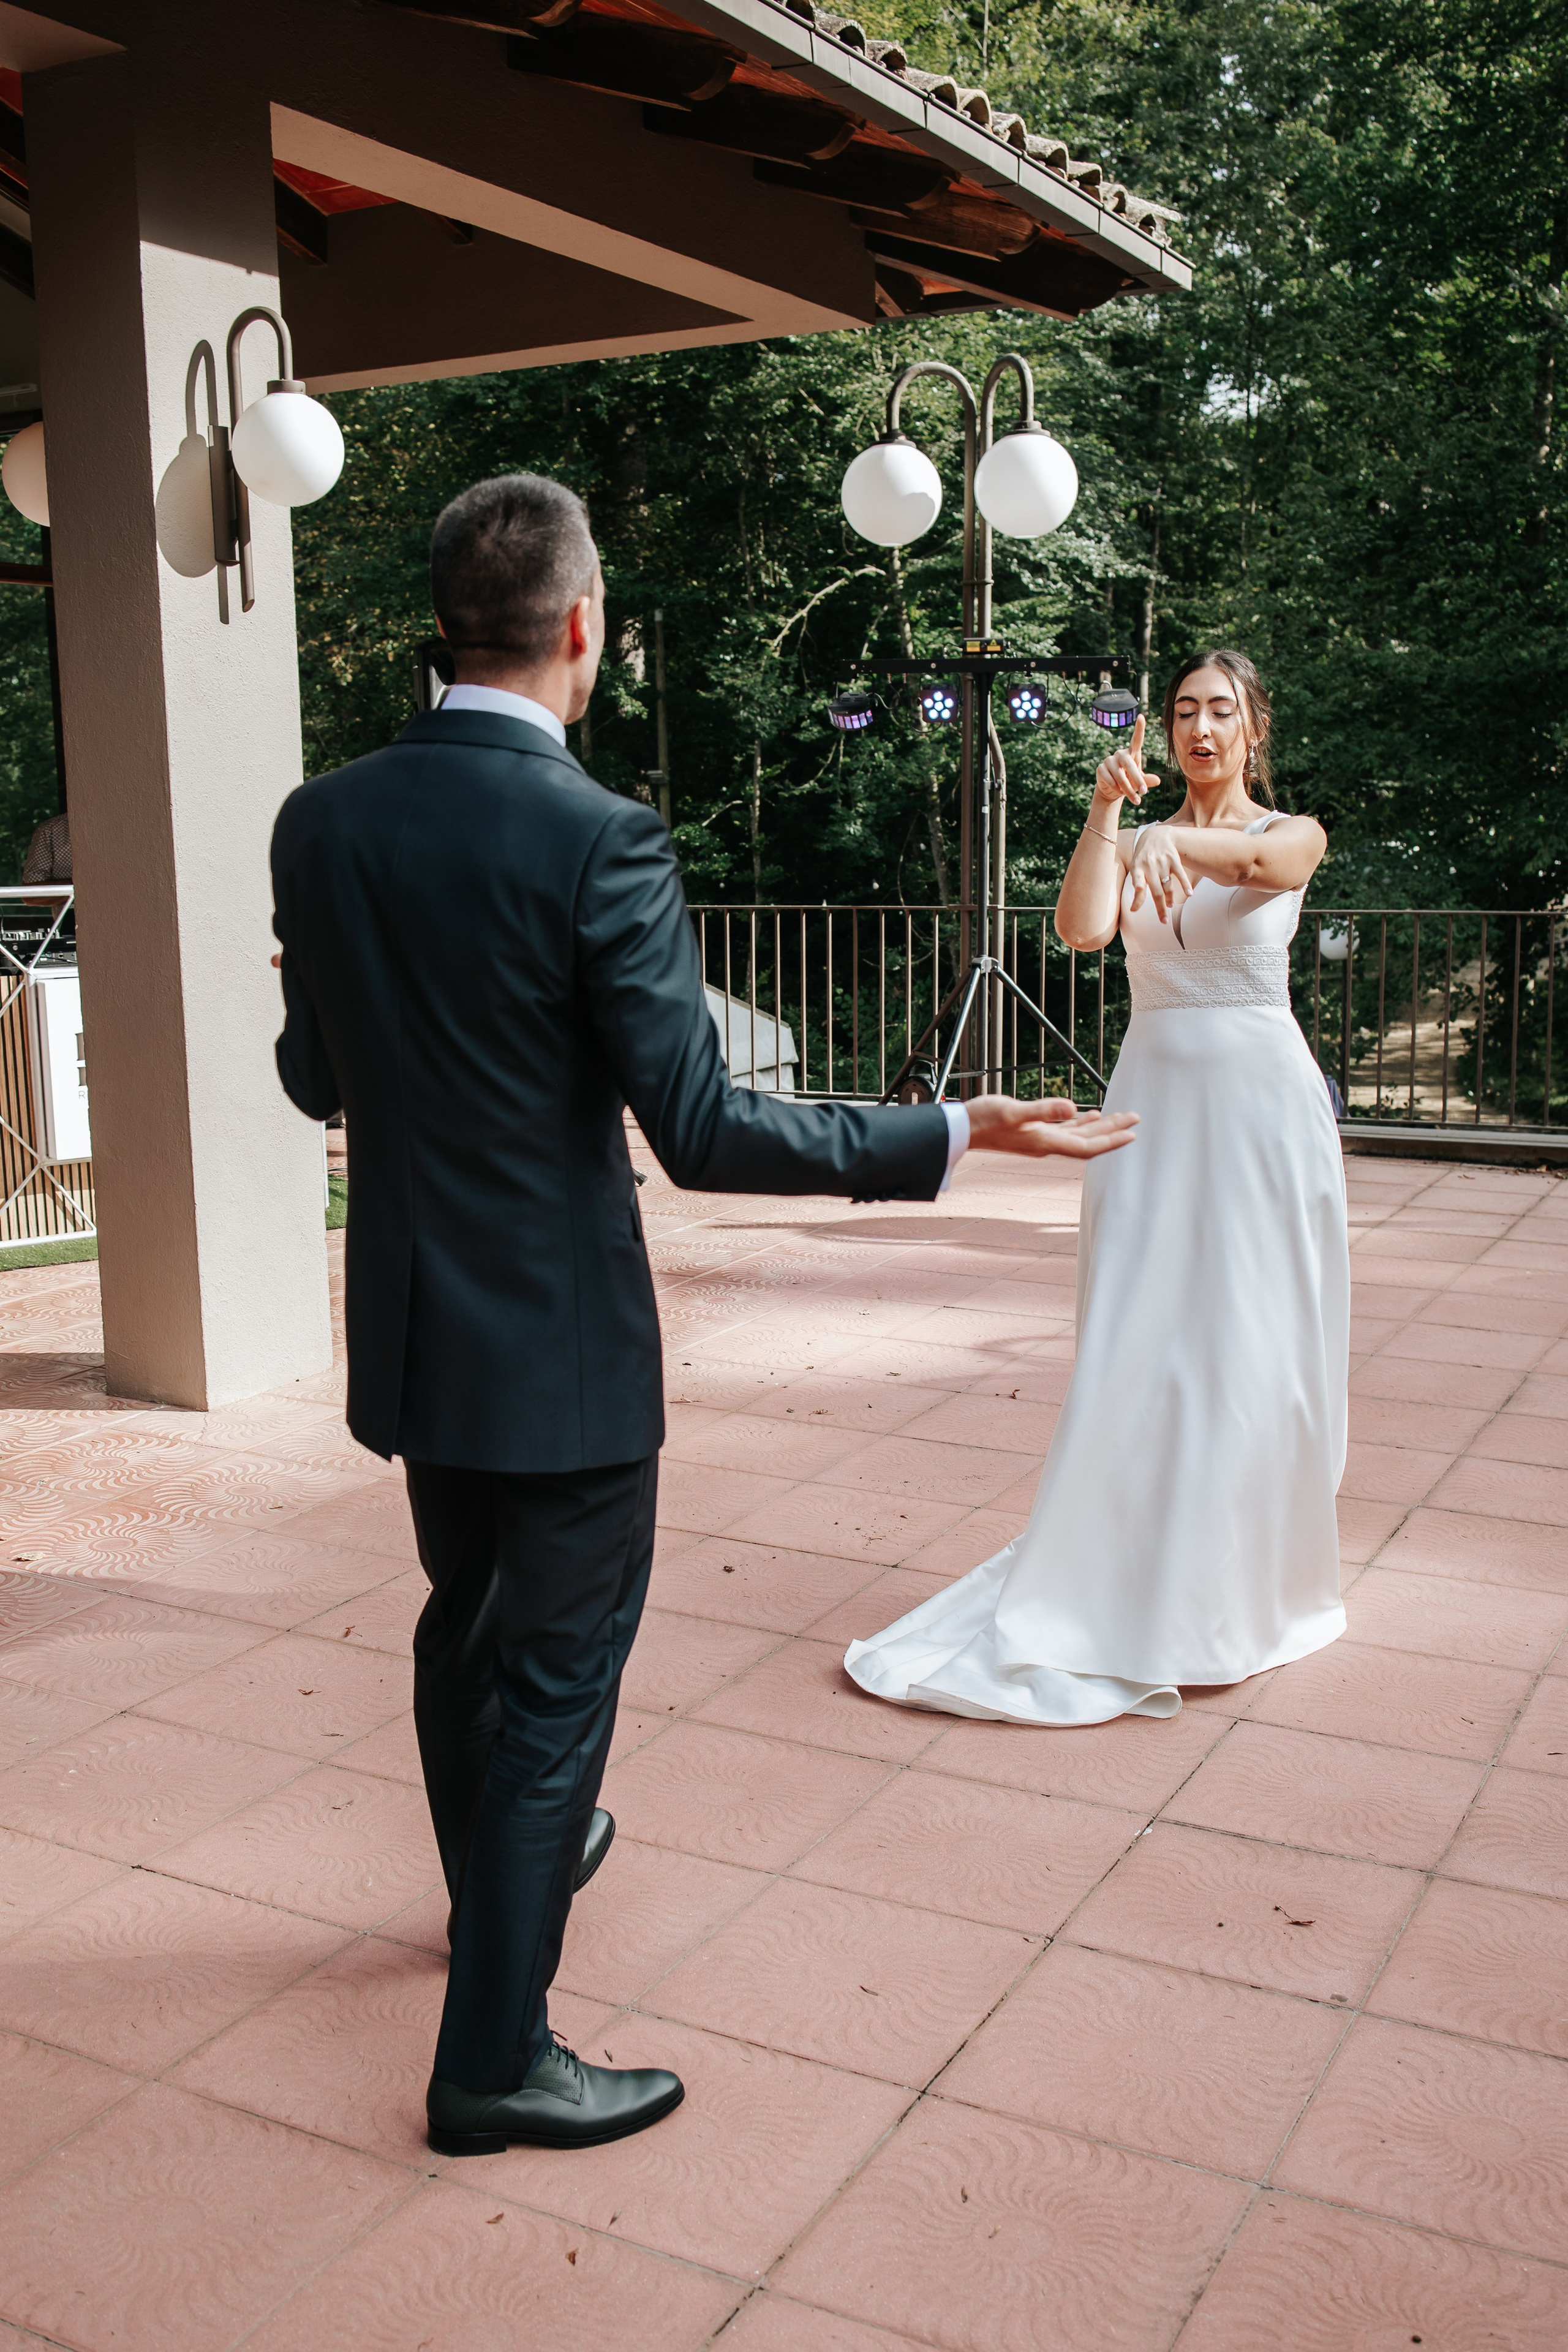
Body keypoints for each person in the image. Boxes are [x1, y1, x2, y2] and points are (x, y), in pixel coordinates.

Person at [270, 473, 1138, 2158]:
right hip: (567, 1359)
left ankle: (492, 1897)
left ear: (450, 619)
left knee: (469, 1621)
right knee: (555, 1688)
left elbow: (316, 1071)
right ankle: (495, 2058)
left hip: (413, 1328)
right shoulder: (599, 837)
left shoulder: (322, 821)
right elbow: (708, 1127)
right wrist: (955, 1128)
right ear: (581, 628)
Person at [846, 649, 1348, 1725]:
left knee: (1255, 1337)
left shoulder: (1284, 833)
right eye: (1183, 712)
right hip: (1154, 1101)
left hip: (1263, 1112)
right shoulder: (1145, 831)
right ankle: (1128, 1563)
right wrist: (1108, 819)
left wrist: (1178, 835)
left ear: (1253, 726)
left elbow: (1273, 873)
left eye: (1220, 712)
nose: (1199, 729)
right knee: (1144, 1334)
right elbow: (1083, 929)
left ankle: (1246, 1583)